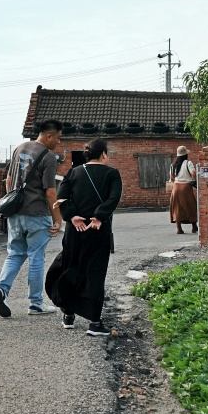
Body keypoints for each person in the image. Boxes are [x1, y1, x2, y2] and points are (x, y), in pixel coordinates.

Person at [0, 119, 63, 318]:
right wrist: (58, 219)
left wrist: (15, 203)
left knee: (14, 254)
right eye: (58, 138)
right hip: (37, 214)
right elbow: (50, 192)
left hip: (15, 214)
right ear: (49, 136)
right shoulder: (49, 157)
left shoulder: (19, 148)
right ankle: (35, 303)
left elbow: (8, 180)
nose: (58, 142)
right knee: (36, 257)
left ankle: (2, 289)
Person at [53, 138, 122, 336]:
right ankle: (94, 322)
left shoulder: (73, 172)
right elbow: (114, 197)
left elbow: (62, 197)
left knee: (71, 267)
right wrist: (99, 217)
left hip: (75, 231)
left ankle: (68, 315)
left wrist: (72, 216)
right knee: (95, 273)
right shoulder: (112, 174)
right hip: (97, 231)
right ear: (103, 154)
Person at [169, 145, 198, 234]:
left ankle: (179, 228)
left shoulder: (173, 165)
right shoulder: (188, 163)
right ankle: (194, 226)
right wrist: (194, 180)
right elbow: (193, 173)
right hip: (186, 187)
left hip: (176, 187)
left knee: (177, 207)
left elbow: (172, 177)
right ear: (186, 154)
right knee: (191, 205)